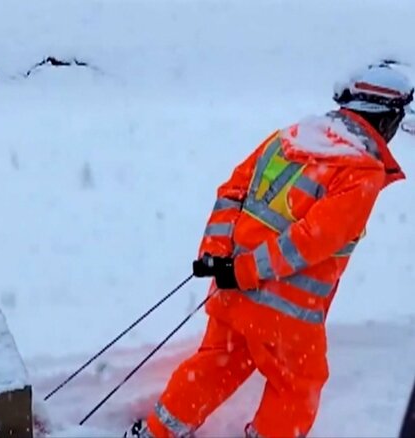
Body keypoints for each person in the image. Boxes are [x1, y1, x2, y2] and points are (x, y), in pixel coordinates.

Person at [126, 62, 413, 438]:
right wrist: (241, 270)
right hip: (285, 314)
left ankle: (156, 432)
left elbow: (232, 192)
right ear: (385, 120)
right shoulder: (361, 171)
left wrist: (216, 255)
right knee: (298, 384)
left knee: (216, 363)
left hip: (232, 294)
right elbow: (311, 241)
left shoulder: (289, 137)